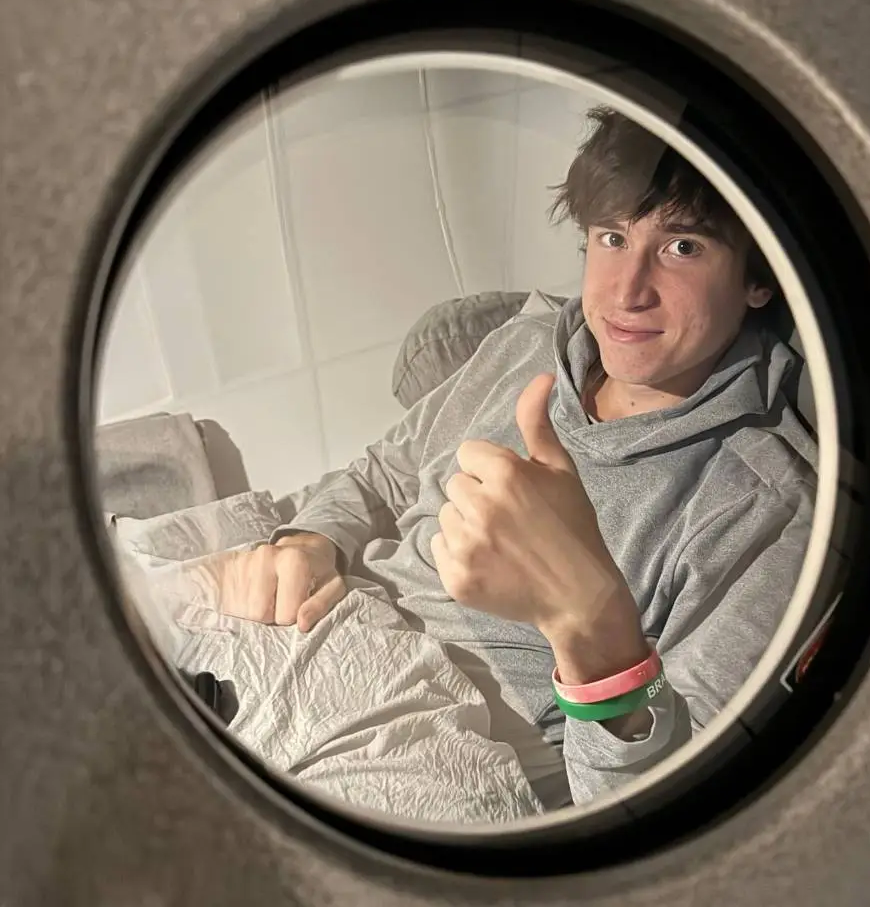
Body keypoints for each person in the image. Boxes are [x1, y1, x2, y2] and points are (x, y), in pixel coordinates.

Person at [217, 106, 818, 809]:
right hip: (313, 626)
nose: (627, 291)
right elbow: (380, 474)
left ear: (758, 278)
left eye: (683, 247)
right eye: (613, 237)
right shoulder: (530, 341)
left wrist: (593, 631)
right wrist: (310, 540)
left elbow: (669, 810)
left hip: (432, 744)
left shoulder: (771, 510)